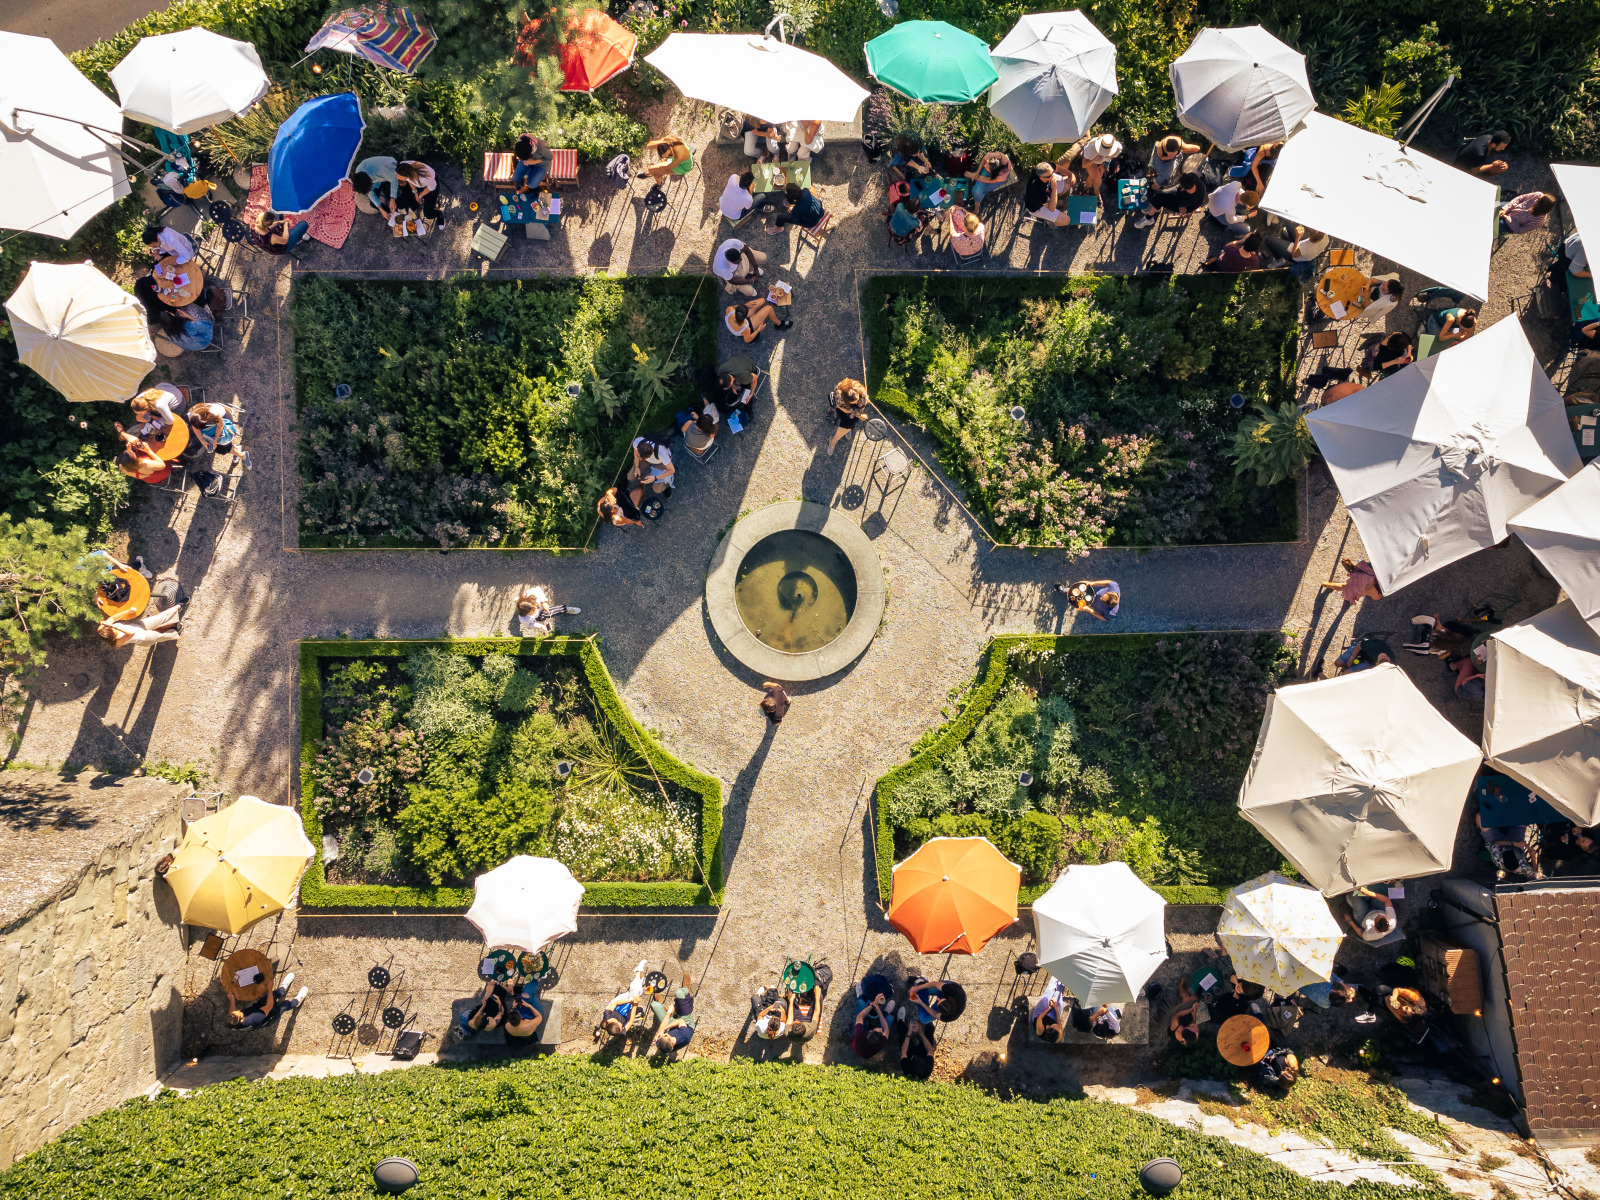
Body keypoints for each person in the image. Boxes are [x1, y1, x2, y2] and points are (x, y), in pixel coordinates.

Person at [226, 970, 307, 1029]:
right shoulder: (255, 1018)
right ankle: (297, 1001)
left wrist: (232, 1000)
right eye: (239, 1011)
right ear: (241, 1019)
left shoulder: (233, 1022)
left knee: (273, 995)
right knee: (284, 1005)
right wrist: (269, 988)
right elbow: (269, 1005)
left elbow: (232, 1013)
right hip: (269, 1014)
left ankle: (283, 988)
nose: (239, 1010)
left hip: (258, 1007)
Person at [599, 959, 652, 1038]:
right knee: (635, 992)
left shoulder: (607, 1015)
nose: (622, 1026)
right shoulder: (621, 1031)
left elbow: (616, 1003)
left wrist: (631, 1000)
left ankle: (638, 972)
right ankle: (639, 979)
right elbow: (630, 1021)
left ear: (614, 1023)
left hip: (618, 1004)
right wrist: (635, 1005)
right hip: (626, 1012)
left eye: (620, 1026)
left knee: (633, 994)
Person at [1137, 171, 1207, 226]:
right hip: (1182, 197)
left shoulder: (1189, 199)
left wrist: (1182, 206)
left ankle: (1149, 218)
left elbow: (1180, 200)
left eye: (1182, 187)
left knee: (1162, 199)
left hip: (1187, 206)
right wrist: (1181, 188)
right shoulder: (1192, 176)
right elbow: (1180, 188)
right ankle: (1155, 208)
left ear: (1184, 189)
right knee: (1162, 194)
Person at [98, 603, 182, 647]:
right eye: (113, 630)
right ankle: (175, 630)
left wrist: (128, 611)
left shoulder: (102, 629)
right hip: (144, 638)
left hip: (138, 626)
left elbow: (113, 618)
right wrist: (114, 626)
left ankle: (178, 607)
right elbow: (131, 634)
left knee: (159, 617)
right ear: (112, 635)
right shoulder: (117, 641)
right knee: (161, 634)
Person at [851, 974, 893, 1058]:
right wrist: (878, 1009)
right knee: (890, 1018)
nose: (881, 1030)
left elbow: (859, 1017)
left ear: (869, 1031)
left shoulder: (860, 1034)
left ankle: (861, 997)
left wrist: (873, 1005)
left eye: (879, 1031)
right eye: (881, 1032)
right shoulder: (880, 1042)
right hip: (866, 1043)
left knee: (861, 1004)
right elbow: (886, 1029)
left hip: (856, 1038)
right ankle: (885, 1013)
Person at [827, 378, 870, 455]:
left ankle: (835, 439)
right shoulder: (840, 392)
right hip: (843, 408)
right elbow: (835, 401)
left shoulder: (862, 397)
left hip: (853, 411)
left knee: (849, 424)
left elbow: (858, 409)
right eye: (854, 401)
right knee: (847, 424)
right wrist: (844, 409)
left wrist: (851, 411)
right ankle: (834, 441)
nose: (857, 401)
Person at [1025, 162, 1070, 227]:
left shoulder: (1044, 168)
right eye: (1050, 176)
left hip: (1046, 193)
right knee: (1066, 221)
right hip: (1038, 208)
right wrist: (1054, 187)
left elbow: (1058, 167)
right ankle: (1051, 222)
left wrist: (1071, 175)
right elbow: (1051, 208)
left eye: (1052, 172)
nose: (1053, 176)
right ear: (1042, 178)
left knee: (1068, 183)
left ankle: (1054, 198)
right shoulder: (1036, 191)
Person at [1168, 978, 1207, 1046]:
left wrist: (1190, 1009)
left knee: (1189, 998)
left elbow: (1178, 1014)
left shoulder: (1176, 1025)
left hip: (1174, 1015)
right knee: (1195, 1000)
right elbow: (1194, 1021)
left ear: (1188, 1028)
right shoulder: (1188, 1036)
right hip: (1184, 1020)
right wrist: (1194, 1011)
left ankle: (1180, 986)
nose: (1198, 1028)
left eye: (1197, 1030)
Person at [1032, 976, 1066, 1042]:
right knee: (1058, 995)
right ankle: (1063, 977)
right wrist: (1055, 1007)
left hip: (1039, 1015)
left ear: (1049, 1027)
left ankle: (1055, 975)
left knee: (1048, 993)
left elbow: (1040, 1017)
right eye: (1058, 1028)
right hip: (1052, 1018)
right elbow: (1059, 1022)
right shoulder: (1059, 1035)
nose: (1058, 1026)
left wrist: (1049, 1008)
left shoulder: (1040, 1030)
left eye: (1055, 1026)